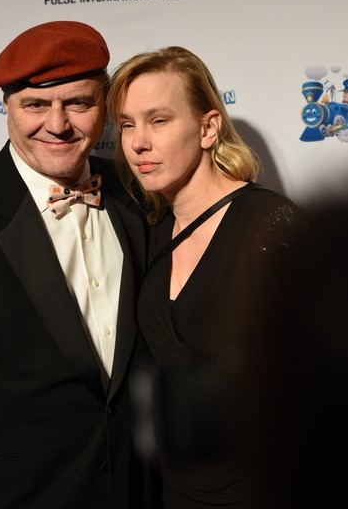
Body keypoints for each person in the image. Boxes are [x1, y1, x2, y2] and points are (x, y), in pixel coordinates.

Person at [0, 21, 155, 509]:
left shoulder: (141, 198)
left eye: (78, 103)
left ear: (105, 105)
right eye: (36, 105)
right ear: (7, 107)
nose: (57, 124)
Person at [107, 45, 307, 508]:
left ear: (208, 128)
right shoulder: (153, 229)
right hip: (176, 490)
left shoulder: (268, 223)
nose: (138, 143)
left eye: (159, 120)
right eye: (127, 125)